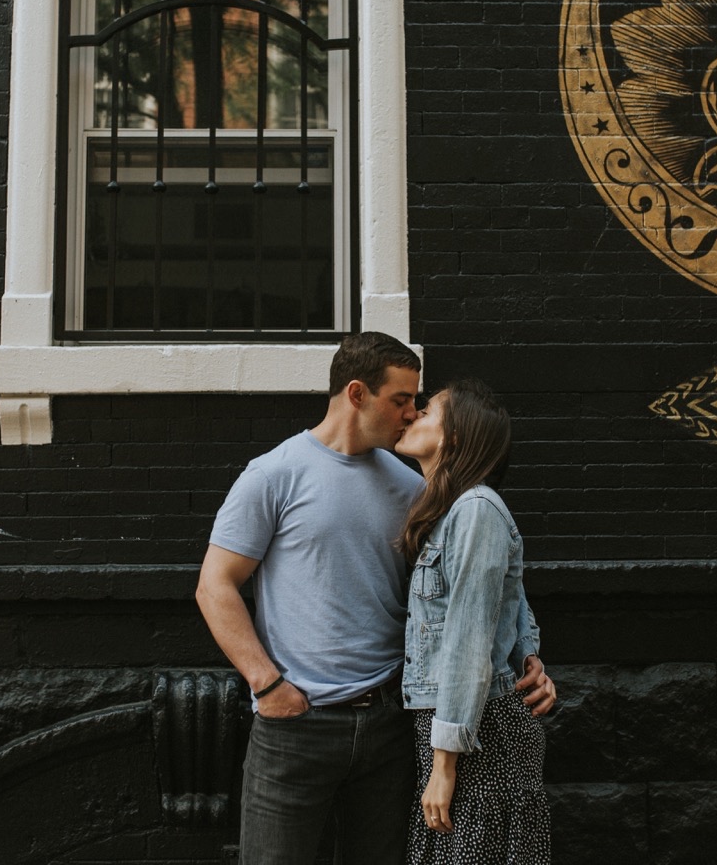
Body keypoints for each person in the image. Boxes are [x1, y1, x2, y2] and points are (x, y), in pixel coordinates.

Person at [196, 334, 553, 865]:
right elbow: (214, 585)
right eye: (402, 400)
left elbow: (484, 584)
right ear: (357, 393)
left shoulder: (413, 487)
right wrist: (267, 685)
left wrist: (524, 652)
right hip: (298, 725)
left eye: (418, 403)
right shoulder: (274, 474)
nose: (411, 414)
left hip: (391, 725)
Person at [394, 378, 552, 865]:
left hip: (478, 734)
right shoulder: (451, 510)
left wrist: (445, 767)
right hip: (458, 728)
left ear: (455, 437)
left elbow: (467, 639)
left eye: (428, 410)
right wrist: (528, 651)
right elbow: (511, 596)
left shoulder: (476, 510)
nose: (415, 412)